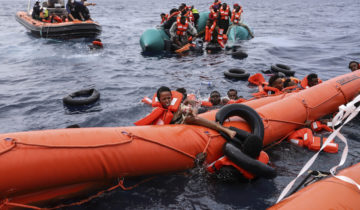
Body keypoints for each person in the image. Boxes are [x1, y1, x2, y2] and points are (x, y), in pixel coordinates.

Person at [135, 86, 236, 139]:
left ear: (171, 97)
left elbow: (186, 109)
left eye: (168, 98)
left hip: (182, 125)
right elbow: (150, 121)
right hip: (167, 130)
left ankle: (223, 129)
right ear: (159, 100)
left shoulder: (178, 106)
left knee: (190, 118)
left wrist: (191, 111)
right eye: (164, 99)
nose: (167, 101)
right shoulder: (155, 110)